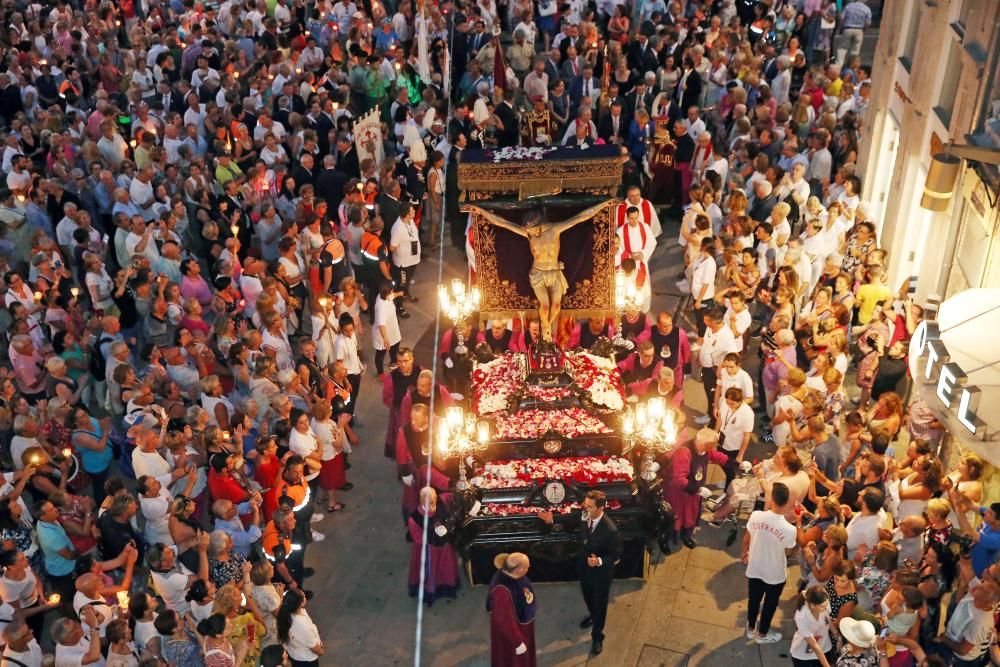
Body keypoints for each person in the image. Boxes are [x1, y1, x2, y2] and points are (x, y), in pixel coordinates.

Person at [539, 490, 622, 656]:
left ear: (601, 508)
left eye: (589, 506)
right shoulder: (586, 514)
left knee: (599, 604)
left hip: (601, 574)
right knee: (588, 596)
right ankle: (593, 614)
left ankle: (598, 636)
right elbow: (574, 518)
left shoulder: (610, 530)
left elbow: (616, 555)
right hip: (584, 567)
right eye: (585, 504)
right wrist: (552, 518)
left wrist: (598, 561)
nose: (586, 508)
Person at [742, 481, 796, 645]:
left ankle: (751, 629)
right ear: (786, 502)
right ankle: (763, 634)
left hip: (755, 566)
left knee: (753, 599)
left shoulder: (756, 515)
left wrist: (744, 552)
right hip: (775, 573)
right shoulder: (790, 529)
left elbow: (747, 536)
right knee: (770, 605)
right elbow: (788, 552)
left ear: (772, 499)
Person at [407, 487, 460, 606]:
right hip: (429, 550)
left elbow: (455, 498)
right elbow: (417, 537)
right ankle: (432, 591)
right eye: (428, 501)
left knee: (446, 566)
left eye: (433, 499)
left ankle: (448, 587)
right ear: (421, 500)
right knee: (431, 570)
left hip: (445, 546)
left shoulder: (443, 499)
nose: (432, 503)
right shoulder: (414, 518)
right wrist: (434, 534)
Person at [486, 552, 537, 667]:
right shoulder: (502, 592)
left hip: (522, 623)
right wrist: (517, 642)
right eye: (526, 567)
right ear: (519, 570)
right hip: (513, 633)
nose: (528, 568)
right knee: (513, 660)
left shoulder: (513, 575)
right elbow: (504, 621)